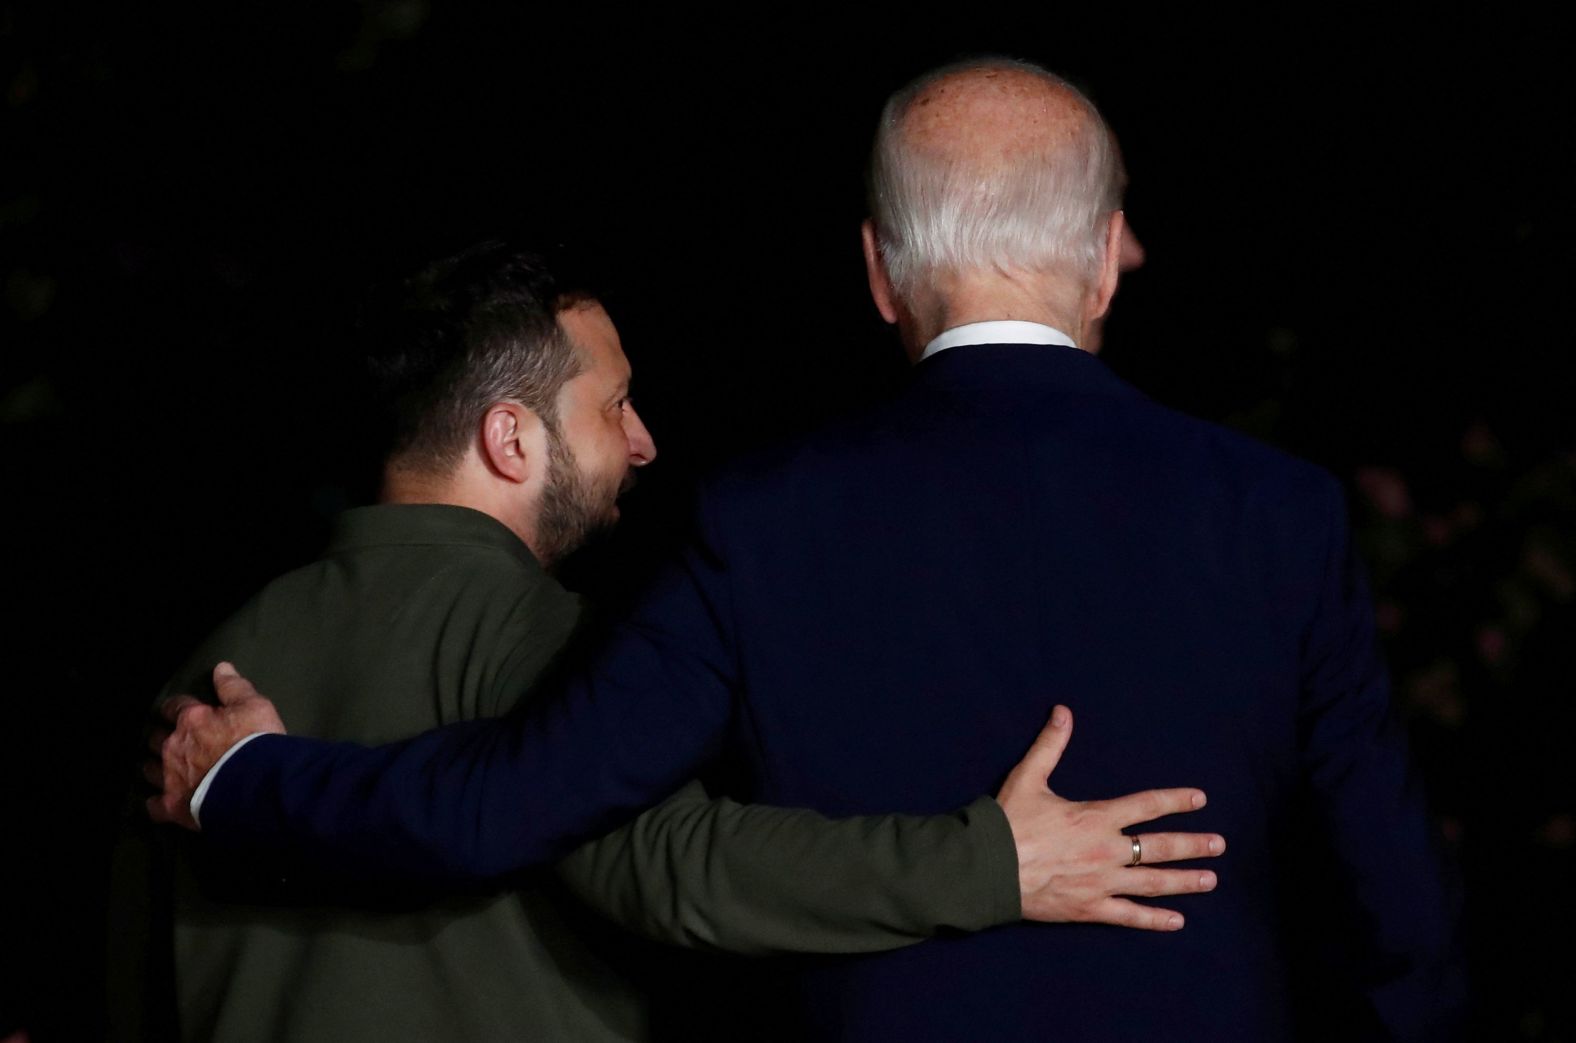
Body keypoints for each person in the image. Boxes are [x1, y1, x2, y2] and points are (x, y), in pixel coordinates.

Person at [151, 57, 1461, 1038]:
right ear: (1105, 267)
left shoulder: (760, 514)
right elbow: (1391, 907)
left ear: (881, 272)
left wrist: (245, 782)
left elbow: (508, 803)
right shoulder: (1277, 509)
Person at [133, 240, 1224, 1041]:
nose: (645, 443)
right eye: (615, 405)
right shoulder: (551, 637)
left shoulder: (213, 664)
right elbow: (676, 866)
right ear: (508, 437)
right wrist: (993, 860)